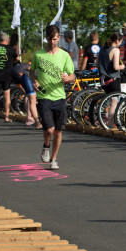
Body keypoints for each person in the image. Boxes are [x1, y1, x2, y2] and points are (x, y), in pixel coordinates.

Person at [30, 24, 75, 170]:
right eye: (50, 39)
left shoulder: (64, 55)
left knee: (58, 131)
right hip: (44, 96)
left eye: (55, 39)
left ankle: (54, 159)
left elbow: (73, 75)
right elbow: (31, 71)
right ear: (46, 39)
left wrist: (68, 78)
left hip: (59, 97)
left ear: (59, 38)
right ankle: (46, 145)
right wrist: (34, 80)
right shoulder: (39, 55)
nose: (52, 42)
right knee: (49, 130)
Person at [97, 32, 125, 128]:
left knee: (109, 101)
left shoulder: (102, 49)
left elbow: (97, 64)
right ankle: (109, 124)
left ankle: (104, 121)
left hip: (103, 79)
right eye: (120, 41)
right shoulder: (115, 50)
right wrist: (123, 66)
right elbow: (116, 67)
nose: (120, 44)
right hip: (113, 79)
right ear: (117, 40)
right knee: (114, 103)